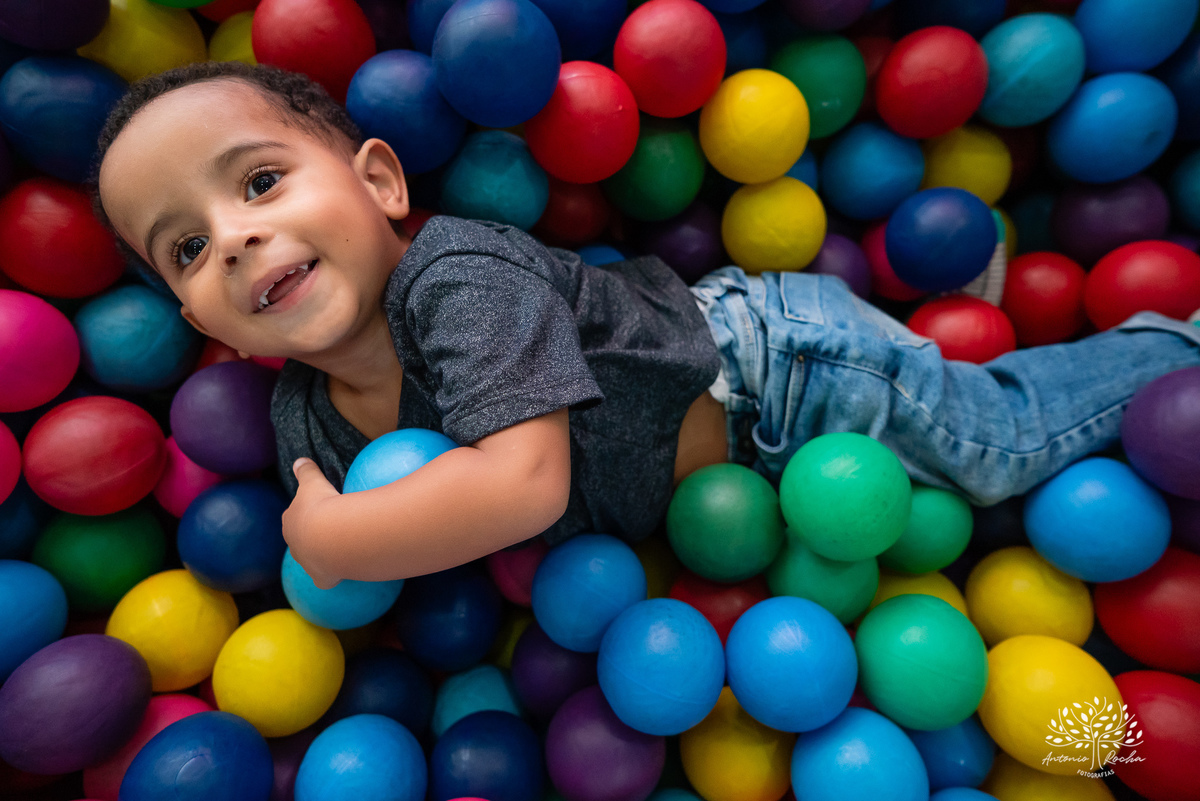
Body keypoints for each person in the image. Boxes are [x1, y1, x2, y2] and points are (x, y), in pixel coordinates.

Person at [93, 62, 1200, 589]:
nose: (233, 238)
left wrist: (336, 545)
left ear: (382, 181)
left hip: (780, 374)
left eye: (261, 182)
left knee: (995, 451)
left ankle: (1172, 346)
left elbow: (520, 486)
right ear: (207, 326)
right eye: (185, 248)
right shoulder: (302, 422)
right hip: (735, 494)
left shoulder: (456, 275)